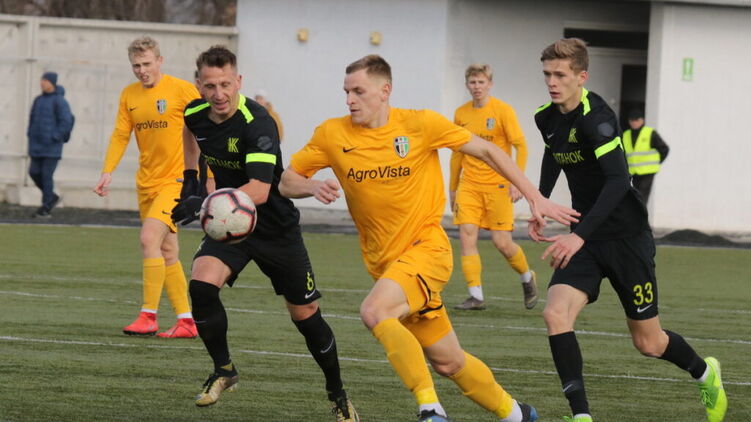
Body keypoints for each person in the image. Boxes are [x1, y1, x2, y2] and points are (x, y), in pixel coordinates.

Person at [280, 54, 579, 422]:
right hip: (386, 267)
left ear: (385, 91)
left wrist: (535, 197)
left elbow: (488, 150)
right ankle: (519, 415)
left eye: (358, 91)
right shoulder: (332, 134)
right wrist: (311, 186)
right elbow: (287, 181)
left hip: (427, 251)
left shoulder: (421, 124)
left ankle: (430, 409)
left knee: (374, 311)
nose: (350, 100)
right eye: (346, 92)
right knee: (449, 361)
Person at [530, 38, 726, 422]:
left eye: (561, 75)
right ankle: (581, 416)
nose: (552, 82)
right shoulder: (545, 117)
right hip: (585, 237)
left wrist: (578, 234)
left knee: (649, 343)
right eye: (547, 74)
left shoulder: (598, 119)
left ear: (581, 77)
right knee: (555, 314)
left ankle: (705, 373)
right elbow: (553, 153)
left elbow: (619, 181)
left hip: (625, 238)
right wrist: (542, 202)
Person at [171, 45, 358, 421]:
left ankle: (338, 395)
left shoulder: (258, 122)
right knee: (201, 286)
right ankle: (224, 370)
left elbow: (258, 190)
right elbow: (190, 132)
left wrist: (204, 203)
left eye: (226, 84)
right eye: (210, 86)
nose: (219, 94)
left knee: (305, 315)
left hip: (274, 227)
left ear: (238, 81)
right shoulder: (195, 112)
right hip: (232, 226)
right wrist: (191, 178)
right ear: (199, 85)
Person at [93, 36, 199, 339]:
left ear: (160, 61)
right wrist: (107, 171)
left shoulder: (182, 90)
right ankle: (186, 321)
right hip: (146, 183)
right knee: (167, 250)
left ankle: (148, 315)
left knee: (148, 238)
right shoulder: (129, 95)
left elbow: (205, 129)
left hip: (176, 181)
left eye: (147, 63)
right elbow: (120, 134)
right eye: (136, 65)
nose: (142, 70)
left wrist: (207, 176)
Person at [449, 63, 537, 311]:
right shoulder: (461, 114)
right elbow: (457, 153)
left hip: (498, 185)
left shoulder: (503, 111)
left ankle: (527, 277)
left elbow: (521, 146)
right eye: (473, 82)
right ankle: (475, 296)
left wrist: (516, 181)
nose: (477, 87)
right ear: (467, 85)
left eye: (481, 82)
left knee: (502, 243)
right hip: (469, 185)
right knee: (466, 236)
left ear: (490, 84)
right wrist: (453, 188)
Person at [27, 71, 74, 218]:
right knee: (34, 173)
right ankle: (51, 197)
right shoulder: (38, 100)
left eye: (45, 80)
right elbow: (32, 120)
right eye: (42, 80)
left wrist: (55, 136)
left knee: (46, 176)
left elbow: (67, 121)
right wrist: (30, 135)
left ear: (52, 83)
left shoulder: (60, 101)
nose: (42, 83)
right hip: (36, 146)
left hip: (52, 147)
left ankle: (46, 207)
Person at [622, 108, 669, 204]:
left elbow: (664, 149)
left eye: (637, 120)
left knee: (642, 196)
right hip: (633, 172)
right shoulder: (625, 135)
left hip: (648, 172)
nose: (634, 122)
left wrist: (656, 163)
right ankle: (637, 213)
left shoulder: (650, 133)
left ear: (642, 120)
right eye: (632, 120)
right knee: (635, 196)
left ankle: (641, 214)